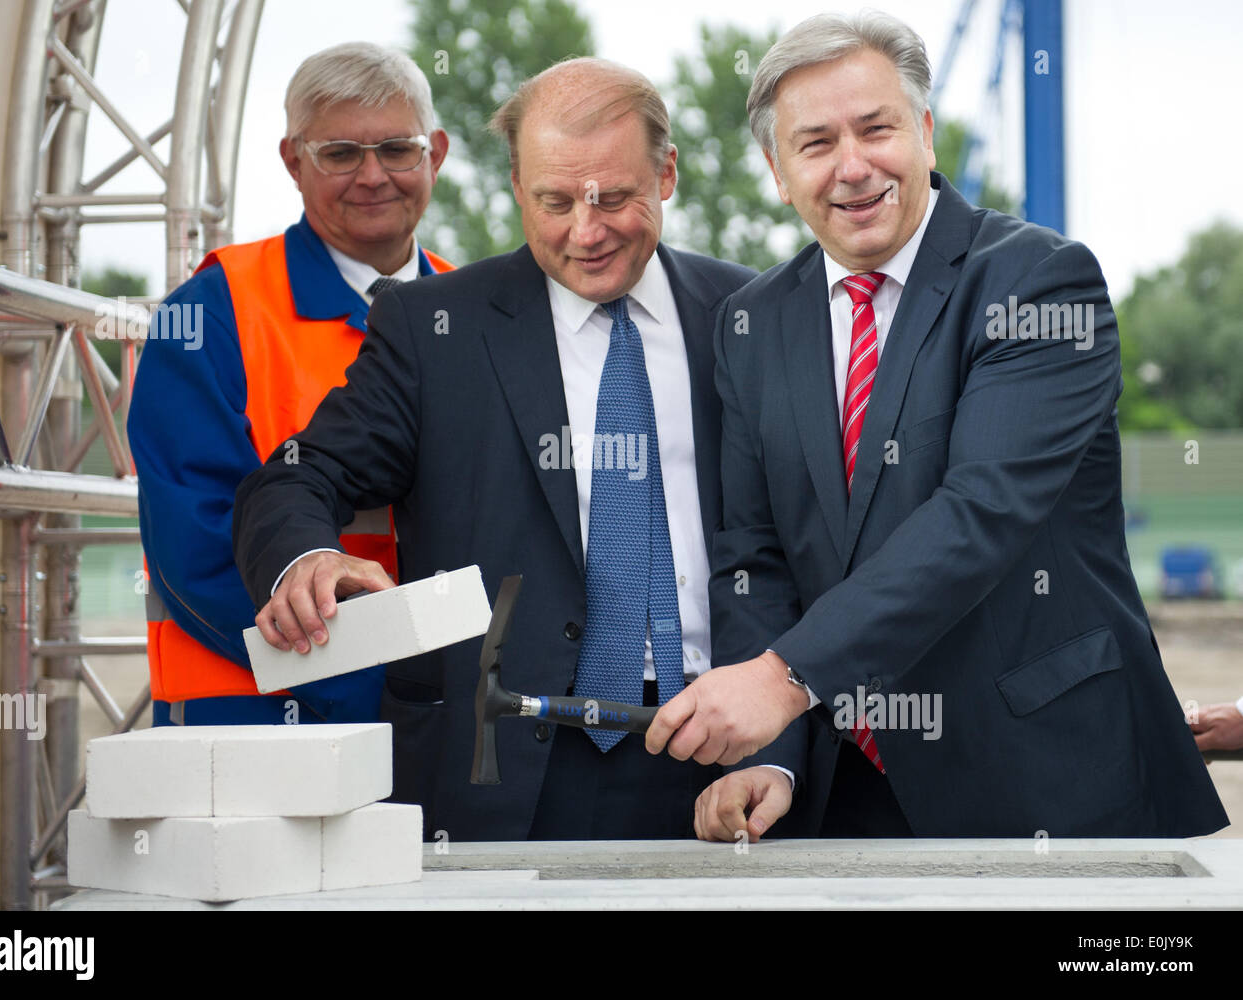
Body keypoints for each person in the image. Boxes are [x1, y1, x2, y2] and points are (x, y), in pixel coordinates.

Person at [644, 10, 1229, 841]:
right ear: (778, 171)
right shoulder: (751, 324)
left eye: (876, 129)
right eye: (815, 145)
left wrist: (784, 678)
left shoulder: (1040, 283)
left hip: (1046, 777)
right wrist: (768, 754)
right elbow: (754, 555)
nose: (853, 167)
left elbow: (979, 513)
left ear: (923, 131)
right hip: (844, 797)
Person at [233, 58, 756, 841]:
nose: (587, 231)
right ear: (516, 185)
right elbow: (299, 477)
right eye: (553, 202)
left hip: (721, 755)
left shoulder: (749, 314)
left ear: (667, 173)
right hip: (501, 763)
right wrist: (305, 557)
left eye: (614, 197)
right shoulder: (432, 327)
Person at [129, 42, 451, 728]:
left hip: (447, 722)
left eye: (398, 148)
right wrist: (386, 679)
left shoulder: (476, 308)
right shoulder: (212, 311)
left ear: (437, 154)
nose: (372, 176)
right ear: (292, 161)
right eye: (339, 153)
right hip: (255, 723)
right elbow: (197, 541)